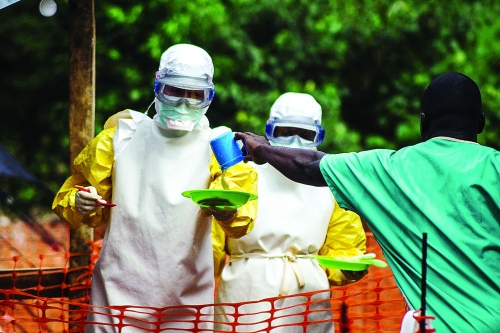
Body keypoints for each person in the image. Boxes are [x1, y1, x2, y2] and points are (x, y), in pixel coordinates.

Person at [234, 72, 500, 333]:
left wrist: (262, 149)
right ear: (481, 123)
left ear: (423, 122)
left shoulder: (388, 170)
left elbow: (309, 166)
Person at [52, 43, 258, 332]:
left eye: (195, 95)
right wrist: (79, 200)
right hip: (117, 295)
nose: (184, 103)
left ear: (208, 97)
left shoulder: (219, 148)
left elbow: (243, 221)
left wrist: (227, 211)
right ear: (158, 87)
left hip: (187, 299)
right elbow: (71, 196)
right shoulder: (121, 137)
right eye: (175, 91)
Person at [212, 92, 368, 333]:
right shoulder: (244, 172)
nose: (294, 141)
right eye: (285, 132)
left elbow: (344, 246)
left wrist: (348, 267)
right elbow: (212, 244)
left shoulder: (329, 184)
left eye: (306, 135)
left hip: (308, 299)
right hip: (246, 296)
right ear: (269, 131)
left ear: (319, 136)